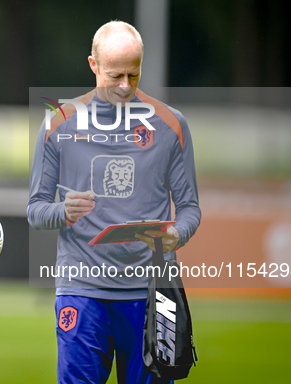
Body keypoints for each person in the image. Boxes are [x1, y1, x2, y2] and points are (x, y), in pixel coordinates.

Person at [28, 21, 201, 383]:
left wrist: (177, 235)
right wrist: (63, 211)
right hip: (82, 290)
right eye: (115, 75)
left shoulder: (171, 124)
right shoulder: (58, 122)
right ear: (93, 65)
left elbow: (189, 209)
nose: (125, 85)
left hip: (152, 290)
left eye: (133, 75)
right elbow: (35, 210)